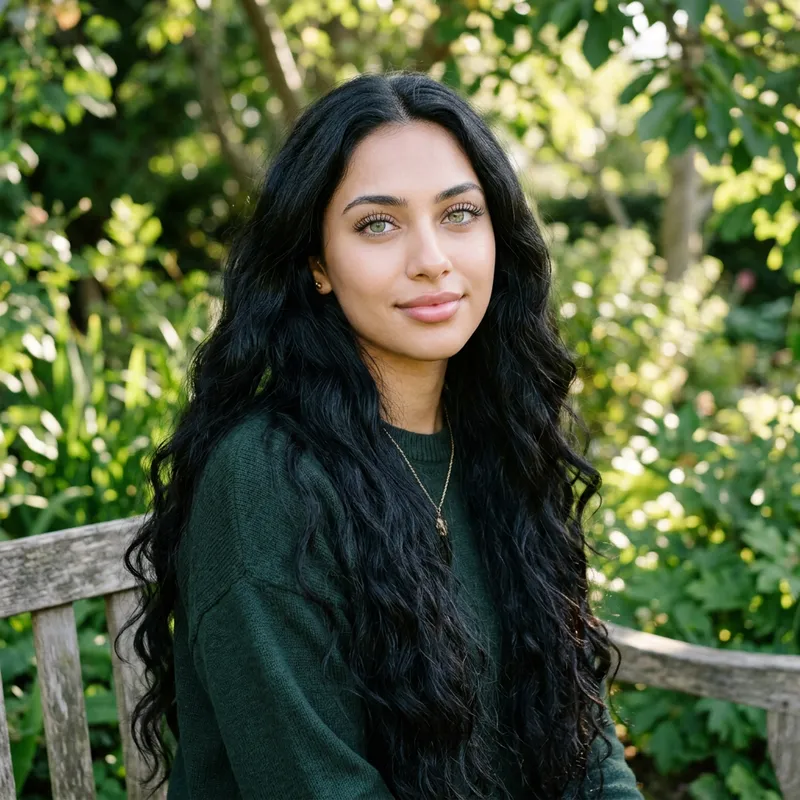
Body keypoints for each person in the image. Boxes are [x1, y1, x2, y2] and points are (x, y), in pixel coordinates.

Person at [120, 70, 643, 800]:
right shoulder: (266, 482)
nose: (432, 258)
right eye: (378, 224)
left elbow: (584, 749)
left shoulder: (497, 442)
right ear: (315, 265)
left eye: (460, 213)